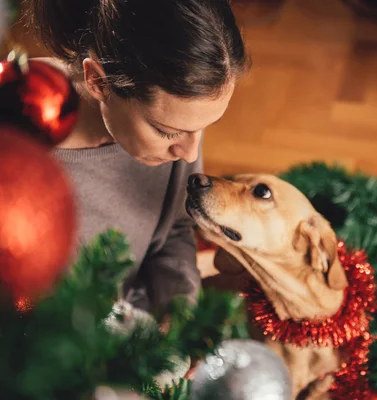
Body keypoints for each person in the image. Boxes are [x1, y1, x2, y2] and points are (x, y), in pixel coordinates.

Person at [26, 0, 250, 329]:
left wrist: (178, 312)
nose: (189, 153)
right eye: (168, 131)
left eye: (203, 128)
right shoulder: (16, 141)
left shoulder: (173, 141)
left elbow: (174, 230)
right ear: (98, 82)